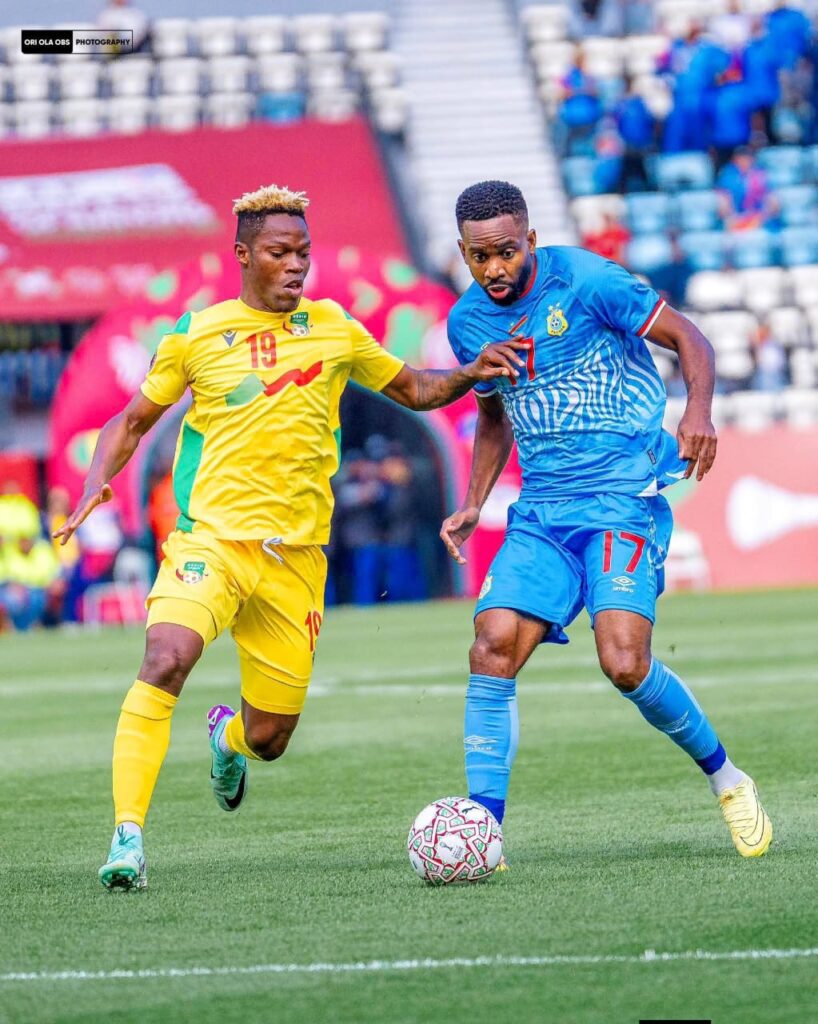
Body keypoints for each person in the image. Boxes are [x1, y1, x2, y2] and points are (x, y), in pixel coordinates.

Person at [54, 184, 527, 891]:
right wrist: (97, 480)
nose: (297, 264)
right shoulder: (196, 334)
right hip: (211, 544)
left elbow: (416, 391)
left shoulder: (334, 328)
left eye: (303, 252)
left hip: (295, 561)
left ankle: (226, 737)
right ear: (243, 255)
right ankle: (128, 838)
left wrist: (468, 370)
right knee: (165, 658)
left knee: (269, 738)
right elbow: (130, 422)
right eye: (281, 252)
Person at [440, 180, 772, 863]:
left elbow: (689, 337)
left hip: (622, 498)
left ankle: (729, 779)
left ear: (531, 240)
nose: (495, 267)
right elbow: (494, 416)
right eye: (480, 257)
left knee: (624, 663)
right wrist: (474, 500)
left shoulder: (588, 281)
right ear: (463, 253)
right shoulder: (467, 322)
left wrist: (698, 413)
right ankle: (484, 833)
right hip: (543, 512)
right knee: (491, 645)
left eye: (507, 251)